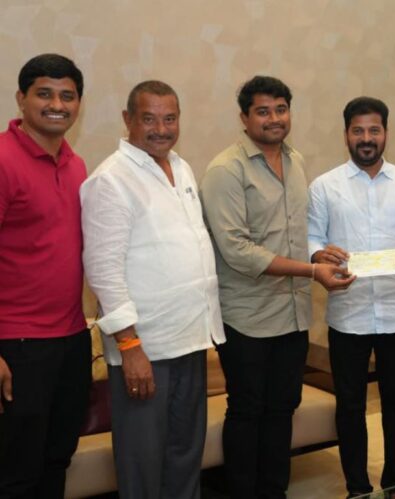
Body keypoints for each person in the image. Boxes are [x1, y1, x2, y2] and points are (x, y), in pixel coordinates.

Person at [200, 75, 354, 499]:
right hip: (247, 317)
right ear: (244, 118)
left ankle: (274, 492)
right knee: (247, 410)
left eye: (281, 109)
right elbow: (238, 251)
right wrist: (311, 271)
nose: (274, 119)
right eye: (263, 111)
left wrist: (318, 254)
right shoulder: (226, 170)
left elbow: (295, 232)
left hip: (292, 313)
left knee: (283, 408)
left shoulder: (296, 160)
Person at [80, 80, 224, 499]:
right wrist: (129, 347)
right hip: (145, 350)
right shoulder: (111, 179)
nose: (161, 129)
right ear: (128, 120)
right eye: (149, 119)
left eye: (170, 118)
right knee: (142, 463)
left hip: (190, 339)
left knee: (185, 454)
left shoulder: (181, 167)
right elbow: (103, 270)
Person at [308, 96, 395, 498]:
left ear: (386, 133)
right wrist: (319, 255)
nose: (366, 138)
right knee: (350, 406)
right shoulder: (324, 186)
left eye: (373, 130)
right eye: (358, 130)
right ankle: (357, 488)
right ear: (346, 135)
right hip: (348, 314)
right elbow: (312, 239)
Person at [0, 53, 91, 498]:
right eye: (44, 94)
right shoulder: (2, 159)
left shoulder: (77, 165)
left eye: (67, 96)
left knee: (57, 459)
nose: (57, 104)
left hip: (72, 339)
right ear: (21, 99)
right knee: (16, 472)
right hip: (17, 344)